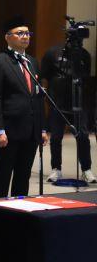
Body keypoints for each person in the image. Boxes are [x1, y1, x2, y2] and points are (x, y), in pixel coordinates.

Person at [0, 16, 48, 198]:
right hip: (9, 130)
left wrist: (42, 128)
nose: (25, 37)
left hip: (31, 130)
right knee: (2, 177)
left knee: (23, 176)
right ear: (7, 37)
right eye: (20, 33)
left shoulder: (32, 62)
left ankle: (19, 211)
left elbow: (38, 97)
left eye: (28, 33)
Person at [41, 41, 96, 183]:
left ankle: (86, 170)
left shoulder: (84, 54)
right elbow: (44, 76)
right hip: (57, 102)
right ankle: (56, 169)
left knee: (82, 135)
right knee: (56, 136)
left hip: (78, 102)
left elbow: (85, 79)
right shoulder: (53, 52)